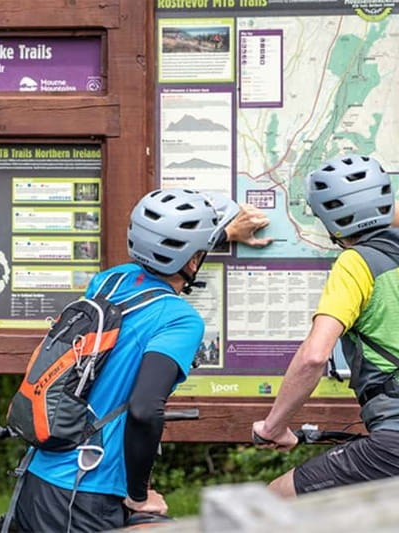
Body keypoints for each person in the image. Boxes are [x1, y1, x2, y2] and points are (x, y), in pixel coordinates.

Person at [15, 188, 271, 532]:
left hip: (40, 472)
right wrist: (138, 495)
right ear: (193, 260)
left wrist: (220, 235)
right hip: (86, 492)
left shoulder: (109, 281)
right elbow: (145, 409)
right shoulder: (179, 319)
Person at [252, 154, 399, 497]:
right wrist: (372, 199)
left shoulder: (355, 264)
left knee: (273, 500)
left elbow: (314, 356)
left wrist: (274, 427)